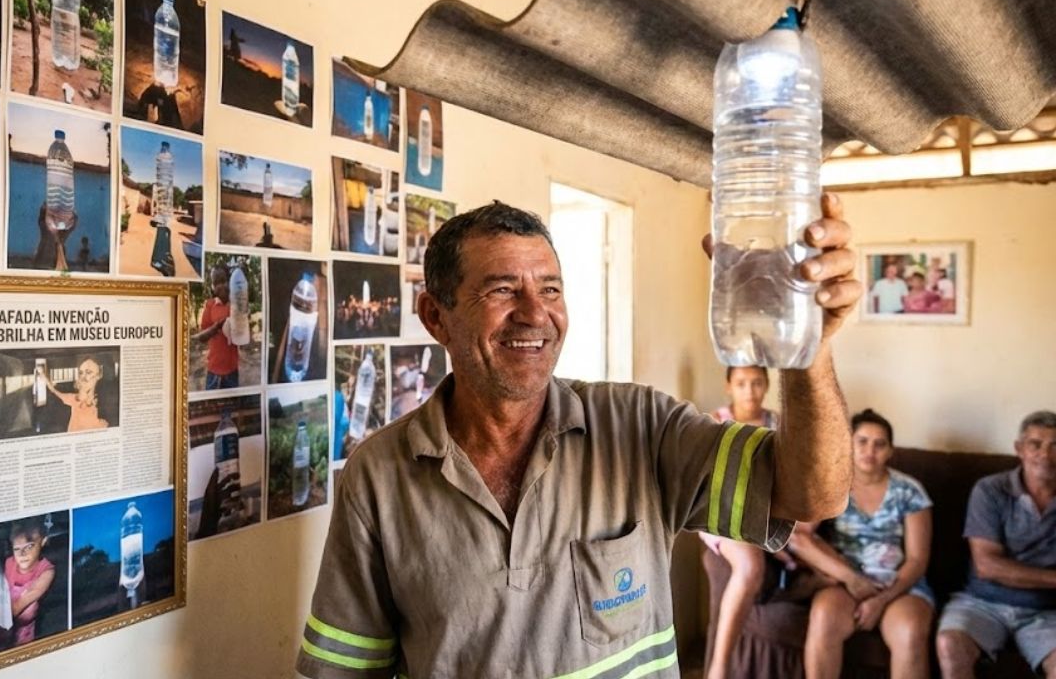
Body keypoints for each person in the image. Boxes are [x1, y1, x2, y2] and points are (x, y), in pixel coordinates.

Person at [297, 197, 861, 678]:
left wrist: (806, 350)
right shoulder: (379, 474)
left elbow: (814, 494)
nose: (535, 315)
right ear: (436, 317)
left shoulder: (639, 425)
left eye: (550, 289)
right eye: (501, 290)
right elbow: (344, 669)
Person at [791, 409, 934, 679]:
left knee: (911, 631)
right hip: (847, 584)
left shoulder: (910, 491)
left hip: (899, 587)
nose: (871, 450)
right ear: (848, 444)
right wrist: (851, 578)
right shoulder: (832, 486)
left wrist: (881, 600)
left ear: (890, 451)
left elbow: (917, 560)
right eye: (862, 441)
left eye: (880, 444)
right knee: (823, 618)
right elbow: (800, 537)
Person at [935, 410, 1056, 678]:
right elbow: (988, 566)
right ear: (1020, 449)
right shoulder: (990, 490)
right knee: (950, 644)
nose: (1045, 455)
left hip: (1047, 611)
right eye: (1036, 444)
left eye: (1054, 446)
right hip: (981, 602)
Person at [701, 365, 797, 679]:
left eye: (757, 383)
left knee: (802, 544)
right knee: (750, 566)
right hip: (720, 515)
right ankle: (720, 667)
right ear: (729, 386)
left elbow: (788, 481)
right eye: (741, 384)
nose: (750, 391)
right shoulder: (713, 423)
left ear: (767, 384)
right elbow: (706, 485)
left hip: (768, 514)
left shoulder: (779, 424)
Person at [3, 517, 55, 645]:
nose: (22, 554)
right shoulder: (9, 563)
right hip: (1, 630)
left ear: (43, 541)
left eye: (29, 546)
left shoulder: (46, 571)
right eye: (17, 549)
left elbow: (18, 606)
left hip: (23, 633)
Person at [195, 265, 240, 390]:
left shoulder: (236, 305)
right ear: (212, 287)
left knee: (229, 407)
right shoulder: (210, 305)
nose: (220, 286)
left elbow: (243, 337)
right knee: (211, 406)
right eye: (216, 283)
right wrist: (216, 327)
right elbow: (202, 337)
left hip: (232, 370)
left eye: (223, 281)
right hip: (213, 370)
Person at [42, 356, 109, 431]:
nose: (83, 376)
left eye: (88, 372)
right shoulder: (72, 398)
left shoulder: (104, 402)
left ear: (98, 375)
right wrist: (44, 377)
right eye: (81, 373)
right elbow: (54, 391)